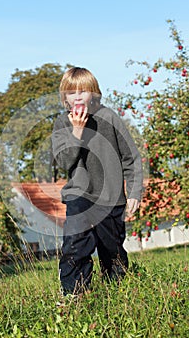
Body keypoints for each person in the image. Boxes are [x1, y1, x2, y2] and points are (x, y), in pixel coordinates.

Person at [52, 67, 143, 296]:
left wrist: (133, 192)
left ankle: (118, 293)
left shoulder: (109, 117)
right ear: (65, 98)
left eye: (84, 91)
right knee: (75, 243)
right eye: (72, 93)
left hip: (111, 197)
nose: (78, 96)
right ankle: (74, 294)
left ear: (94, 92)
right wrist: (77, 131)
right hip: (79, 194)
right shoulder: (62, 124)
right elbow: (64, 162)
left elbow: (130, 157)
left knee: (111, 249)